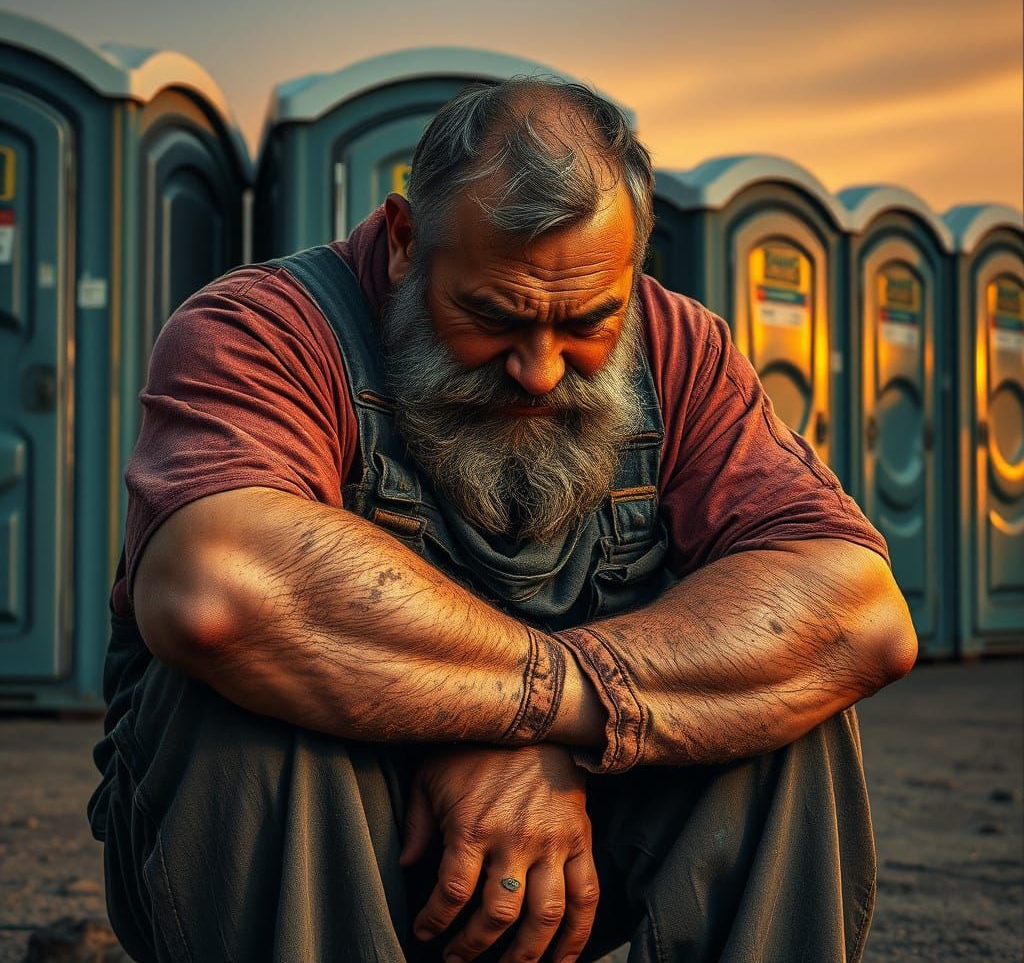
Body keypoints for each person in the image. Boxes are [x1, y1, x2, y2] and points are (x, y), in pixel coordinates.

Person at [87, 76, 917, 963]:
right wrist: (522, 715)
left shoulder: (686, 351)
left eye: (589, 322)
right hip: (295, 858)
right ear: (405, 243)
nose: (540, 369)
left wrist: (557, 723)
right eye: (493, 316)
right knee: (245, 707)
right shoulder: (264, 328)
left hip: (569, 859)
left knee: (794, 713)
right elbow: (218, 588)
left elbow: (860, 616)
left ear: (633, 266)